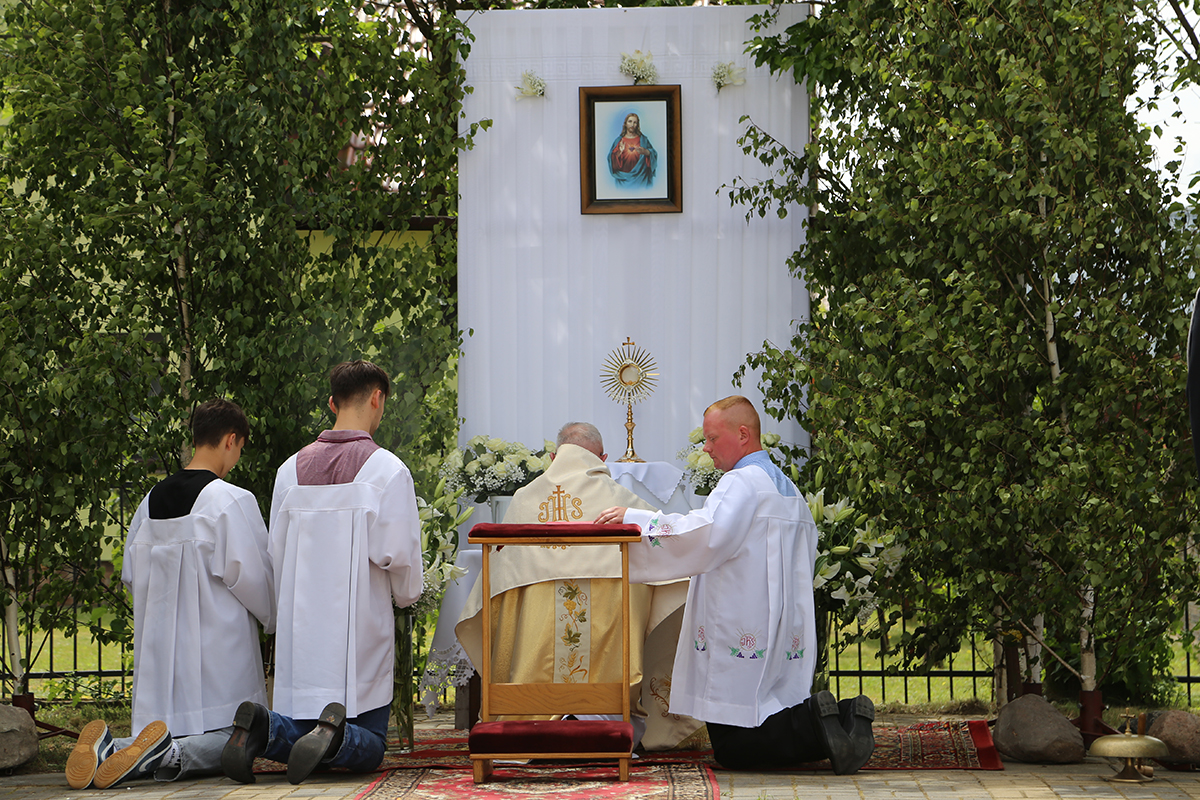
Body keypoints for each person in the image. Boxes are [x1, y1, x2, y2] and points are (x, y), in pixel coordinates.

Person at [594, 396, 876, 773]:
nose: (706, 448)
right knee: (768, 710)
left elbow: (706, 534)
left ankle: (817, 722)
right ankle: (840, 717)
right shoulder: (787, 489)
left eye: (712, 438)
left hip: (740, 622)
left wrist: (636, 521)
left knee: (734, 746)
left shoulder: (741, 481)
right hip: (781, 626)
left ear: (743, 434)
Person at [221, 360, 423, 785]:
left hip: (303, 635)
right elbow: (401, 558)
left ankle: (264, 728)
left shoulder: (289, 470)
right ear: (377, 398)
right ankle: (335, 738)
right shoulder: (387, 469)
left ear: (332, 403)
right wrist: (408, 595)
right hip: (360, 632)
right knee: (371, 744)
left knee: (303, 720)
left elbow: (276, 553)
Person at [66, 399, 275, 790]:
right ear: (231, 440)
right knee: (247, 737)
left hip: (161, 661)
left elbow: (131, 576)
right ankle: (165, 755)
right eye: (240, 449)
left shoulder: (149, 502)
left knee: (165, 728)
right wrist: (273, 619)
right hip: (219, 662)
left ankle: (111, 749)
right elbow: (257, 583)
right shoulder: (230, 500)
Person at [455, 423, 697, 750]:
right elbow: (673, 561)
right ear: (603, 459)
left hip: (531, 695)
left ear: (554, 456)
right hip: (608, 690)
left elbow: (496, 587)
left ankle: (527, 717)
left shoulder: (524, 501)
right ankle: (603, 722)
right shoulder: (622, 502)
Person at [608, 112, 657, 187]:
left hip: (641, 178)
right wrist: (619, 152)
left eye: (635, 122)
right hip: (623, 180)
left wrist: (647, 152)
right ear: (625, 123)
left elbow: (654, 154)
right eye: (630, 121)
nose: (632, 125)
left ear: (637, 125)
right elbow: (611, 160)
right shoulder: (619, 141)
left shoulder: (643, 140)